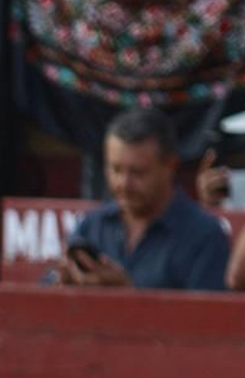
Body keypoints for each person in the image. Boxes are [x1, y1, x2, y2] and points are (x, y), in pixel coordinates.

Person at [57, 106, 227, 291]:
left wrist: (129, 297)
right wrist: (61, 284)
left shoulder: (204, 236)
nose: (124, 183)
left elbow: (209, 317)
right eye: (115, 169)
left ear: (170, 165)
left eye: (138, 173)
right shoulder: (92, 226)